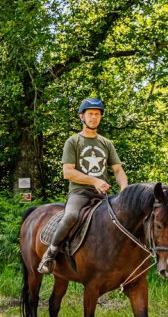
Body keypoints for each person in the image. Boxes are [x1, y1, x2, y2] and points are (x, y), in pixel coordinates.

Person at [37, 98, 128, 274]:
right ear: (82, 116)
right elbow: (68, 172)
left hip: (102, 195)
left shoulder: (106, 143)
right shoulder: (73, 142)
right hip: (80, 193)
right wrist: (95, 180)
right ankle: (51, 253)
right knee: (71, 215)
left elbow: (118, 170)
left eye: (97, 114)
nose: (94, 117)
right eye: (90, 114)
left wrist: (124, 191)